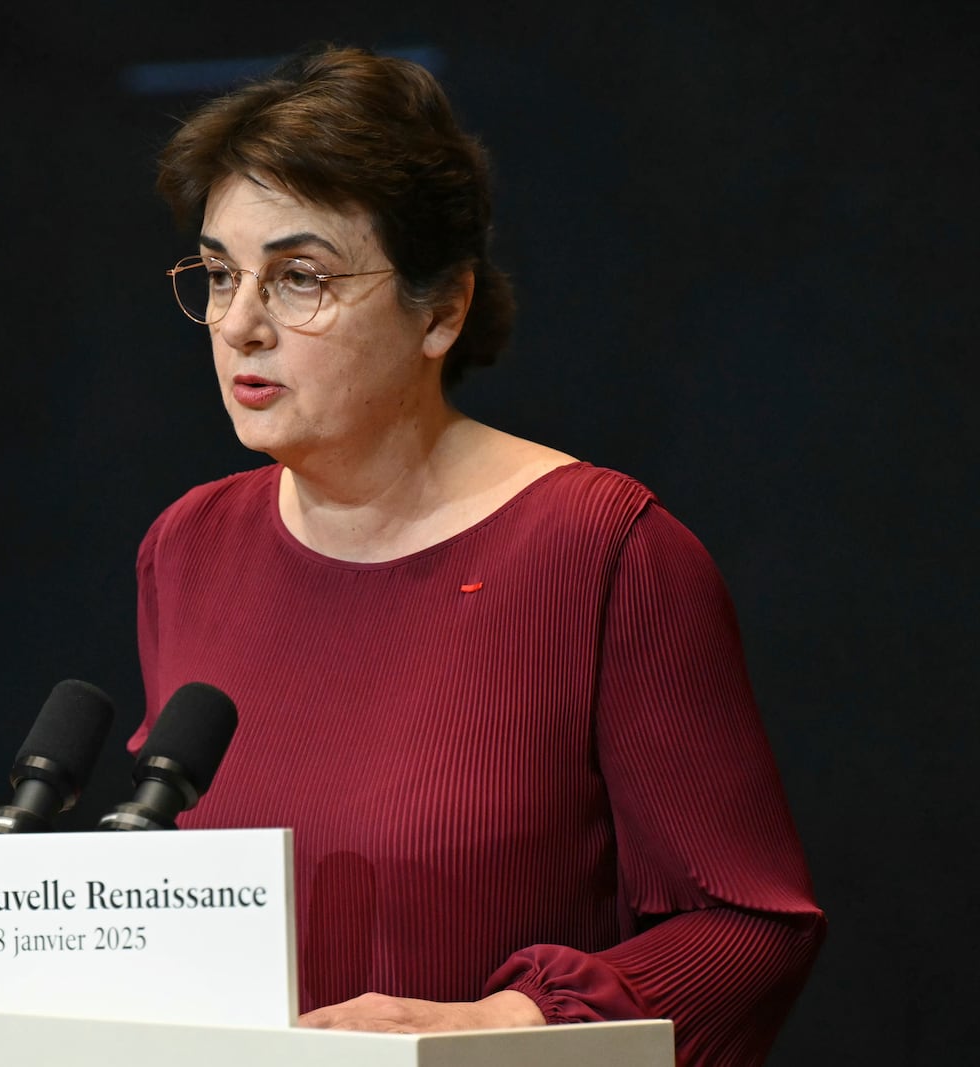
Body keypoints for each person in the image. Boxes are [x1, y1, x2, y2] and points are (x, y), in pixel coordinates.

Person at [129, 45, 824, 1066]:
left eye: (299, 278)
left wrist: (504, 1025)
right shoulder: (187, 546)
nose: (239, 325)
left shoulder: (605, 550)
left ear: (441, 308)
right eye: (221, 275)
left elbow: (751, 927)